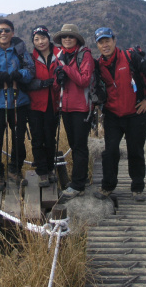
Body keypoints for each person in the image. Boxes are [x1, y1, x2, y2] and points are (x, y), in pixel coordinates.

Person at [93, 27, 146, 202]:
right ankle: (108, 186)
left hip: (135, 113)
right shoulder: (98, 65)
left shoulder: (130, 57)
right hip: (113, 115)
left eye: (107, 40)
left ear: (114, 41)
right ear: (97, 45)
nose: (105, 45)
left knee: (135, 151)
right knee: (110, 151)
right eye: (101, 42)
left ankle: (137, 188)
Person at [0, 18, 35, 191]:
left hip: (19, 102)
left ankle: (15, 169)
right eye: (0, 31)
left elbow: (31, 71)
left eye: (7, 30)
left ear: (13, 32)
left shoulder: (21, 51)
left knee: (18, 138)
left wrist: (19, 74)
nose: (3, 33)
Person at [52, 24, 95, 201]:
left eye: (70, 37)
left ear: (77, 39)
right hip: (66, 108)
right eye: (64, 37)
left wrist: (66, 70)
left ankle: (78, 185)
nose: (67, 39)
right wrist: (58, 78)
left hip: (81, 108)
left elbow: (84, 80)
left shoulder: (85, 56)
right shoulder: (60, 56)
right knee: (74, 144)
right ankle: (80, 180)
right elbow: (57, 85)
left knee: (79, 146)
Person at [27, 26, 61, 188]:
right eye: (36, 39)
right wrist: (41, 83)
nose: (40, 42)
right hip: (35, 105)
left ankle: (50, 168)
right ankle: (42, 172)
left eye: (43, 38)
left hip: (54, 104)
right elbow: (25, 80)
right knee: (37, 139)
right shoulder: (29, 58)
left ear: (49, 38)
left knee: (50, 139)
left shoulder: (60, 55)